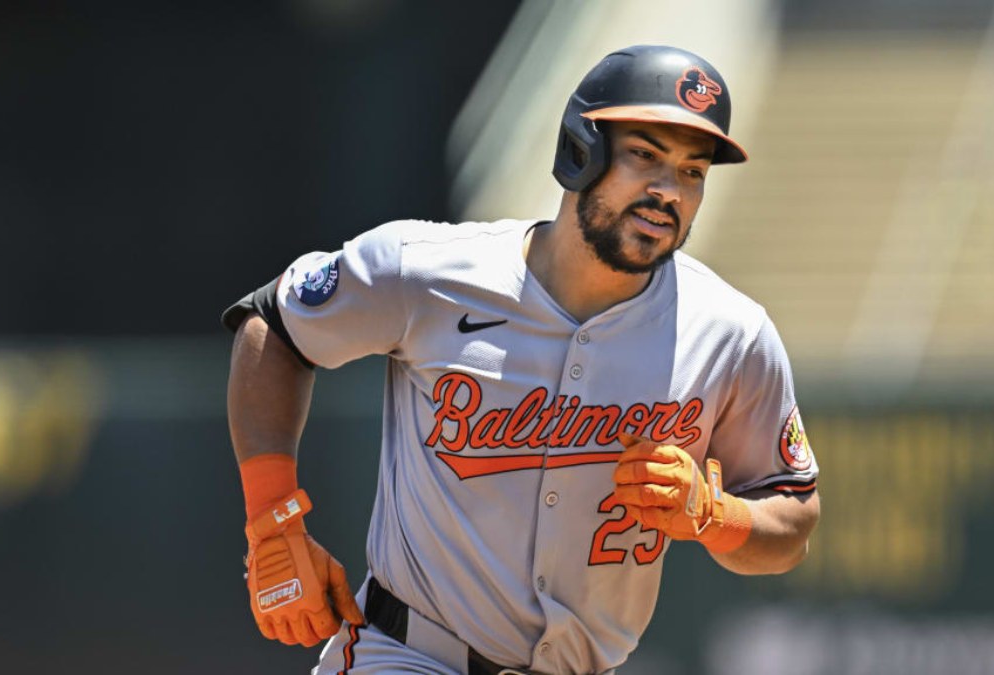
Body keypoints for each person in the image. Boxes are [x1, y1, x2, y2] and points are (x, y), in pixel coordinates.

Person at [223, 45, 821, 675]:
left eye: (693, 172)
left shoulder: (731, 333)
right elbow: (276, 326)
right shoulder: (428, 270)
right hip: (408, 655)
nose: (667, 191)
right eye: (644, 155)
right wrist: (273, 521)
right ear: (580, 151)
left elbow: (793, 522)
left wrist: (713, 515)